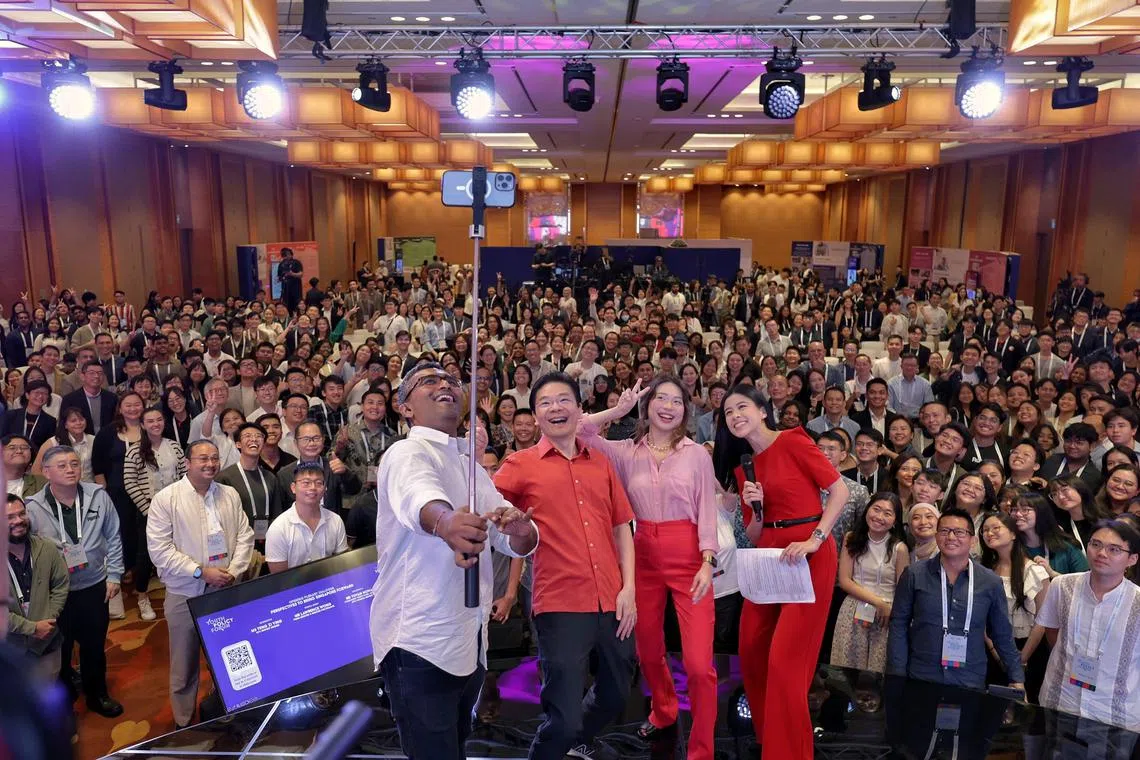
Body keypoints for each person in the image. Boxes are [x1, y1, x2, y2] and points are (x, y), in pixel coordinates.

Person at [369, 362, 538, 760]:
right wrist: (446, 523)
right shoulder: (405, 452)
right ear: (405, 407)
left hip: (469, 641)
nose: (444, 384)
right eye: (428, 381)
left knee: (455, 747)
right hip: (420, 643)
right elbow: (419, 498)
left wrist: (519, 530)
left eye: (450, 380)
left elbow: (515, 539)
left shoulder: (469, 466)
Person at [493, 372, 638, 760]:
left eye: (563, 400)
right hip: (560, 602)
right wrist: (508, 521)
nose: (555, 408)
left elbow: (621, 526)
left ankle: (577, 742)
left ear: (579, 409)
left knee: (617, 694)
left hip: (613, 599)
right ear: (535, 416)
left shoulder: (601, 463)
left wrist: (629, 589)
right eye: (545, 403)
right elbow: (488, 507)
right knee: (564, 718)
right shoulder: (519, 464)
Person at [575, 376, 719, 759]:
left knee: (699, 665)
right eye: (661, 398)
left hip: (690, 556)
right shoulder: (625, 452)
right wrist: (617, 410)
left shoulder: (697, 455)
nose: (668, 407)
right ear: (647, 404)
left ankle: (702, 749)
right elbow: (580, 430)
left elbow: (708, 510)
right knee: (649, 651)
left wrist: (708, 560)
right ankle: (664, 709)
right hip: (641, 557)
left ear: (686, 410)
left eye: (677, 401)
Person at [711, 384, 849, 760]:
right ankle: (770, 739)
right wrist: (755, 506)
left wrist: (815, 539)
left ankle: (789, 753)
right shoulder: (744, 468)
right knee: (751, 652)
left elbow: (839, 491)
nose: (735, 416)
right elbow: (755, 532)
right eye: (728, 412)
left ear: (762, 410)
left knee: (786, 664)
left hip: (808, 556)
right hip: (768, 558)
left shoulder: (793, 441)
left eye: (742, 407)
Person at [146, 439, 255, 729]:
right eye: (203, 459)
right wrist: (200, 572)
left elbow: (245, 535)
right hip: (185, 592)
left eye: (214, 458)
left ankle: (229, 710)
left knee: (230, 655)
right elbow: (160, 550)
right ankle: (184, 722)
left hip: (226, 587)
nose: (210, 464)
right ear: (187, 463)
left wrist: (234, 570)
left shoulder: (229, 494)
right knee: (184, 663)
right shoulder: (166, 499)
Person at [25, 445, 125, 717]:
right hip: (54, 591)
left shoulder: (97, 495)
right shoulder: (32, 506)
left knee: (94, 644)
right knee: (60, 646)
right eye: (62, 465)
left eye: (74, 463)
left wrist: (114, 574)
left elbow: (114, 535)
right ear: (46, 472)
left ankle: (97, 694)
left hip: (93, 584)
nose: (70, 469)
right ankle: (65, 694)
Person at [885, 507, 1025, 691]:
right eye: (944, 531)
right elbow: (898, 625)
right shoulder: (914, 574)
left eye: (959, 532)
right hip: (922, 675)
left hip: (969, 679)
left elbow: (1002, 634)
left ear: (973, 541)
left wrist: (1016, 677)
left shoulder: (990, 582)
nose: (951, 537)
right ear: (937, 536)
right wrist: (896, 674)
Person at [1036, 519, 1140, 731]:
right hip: (1061, 701)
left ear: (1132, 559)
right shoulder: (1062, 585)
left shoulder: (1137, 601)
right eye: (1096, 544)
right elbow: (1052, 632)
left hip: (1113, 713)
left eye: (1114, 549)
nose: (1102, 553)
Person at [831, 492, 909, 673]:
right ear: (867, 510)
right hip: (853, 609)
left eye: (888, 513)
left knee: (877, 671)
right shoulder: (851, 538)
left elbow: (902, 589)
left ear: (895, 520)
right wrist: (877, 602)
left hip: (885, 615)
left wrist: (885, 606)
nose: (879, 517)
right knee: (847, 670)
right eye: (876, 509)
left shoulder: (900, 548)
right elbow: (844, 580)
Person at [122, 408, 187, 620]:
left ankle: (176, 591)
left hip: (176, 508)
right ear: (142, 425)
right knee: (145, 555)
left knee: (179, 549)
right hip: (148, 511)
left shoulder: (174, 446)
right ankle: (142, 596)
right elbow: (129, 482)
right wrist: (148, 511)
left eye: (159, 420)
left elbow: (184, 475)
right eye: (150, 421)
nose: (155, 424)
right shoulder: (134, 450)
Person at [979, 510, 1051, 703]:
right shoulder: (984, 571)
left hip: (1030, 649)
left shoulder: (1034, 571)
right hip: (992, 650)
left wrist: (1022, 658)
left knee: (1028, 708)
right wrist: (996, 653)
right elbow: (980, 618)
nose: (989, 533)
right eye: (985, 530)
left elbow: (1043, 620)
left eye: (996, 528)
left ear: (1013, 533)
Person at [6, 493, 70, 683]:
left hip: (47, 639)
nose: (19, 520)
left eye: (22, 514)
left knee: (48, 687)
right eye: (9, 517)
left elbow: (60, 584)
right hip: (9, 646)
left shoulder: (46, 548)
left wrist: (48, 620)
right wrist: (32, 628)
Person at [264, 462, 348, 572]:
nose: (313, 487)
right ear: (293, 488)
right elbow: (279, 578)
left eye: (318, 483)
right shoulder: (279, 528)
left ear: (325, 488)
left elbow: (342, 566)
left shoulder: (336, 521)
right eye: (306, 483)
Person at [215, 422, 285, 548]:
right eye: (247, 436)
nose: (254, 439)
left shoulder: (270, 477)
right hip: (238, 544)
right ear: (238, 444)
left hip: (268, 542)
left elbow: (277, 514)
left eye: (258, 436)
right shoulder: (224, 478)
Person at [277, 247, 304, 314]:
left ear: (291, 254)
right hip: (285, 289)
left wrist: (292, 274)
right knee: (286, 305)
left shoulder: (296, 262)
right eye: (284, 255)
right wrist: (281, 278)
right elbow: (279, 276)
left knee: (297, 305)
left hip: (296, 289)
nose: (286, 256)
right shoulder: (281, 264)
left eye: (287, 254)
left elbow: (301, 274)